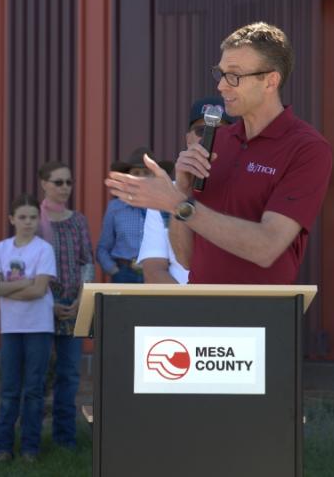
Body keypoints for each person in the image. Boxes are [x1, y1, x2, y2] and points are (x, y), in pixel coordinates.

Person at [105, 22, 332, 285]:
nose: (222, 87)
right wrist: (183, 193)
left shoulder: (307, 148)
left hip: (264, 314)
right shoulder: (215, 142)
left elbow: (267, 247)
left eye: (234, 76)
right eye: (220, 74)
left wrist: (178, 205)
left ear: (271, 81)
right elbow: (187, 257)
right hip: (202, 310)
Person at [138, 97, 235, 284]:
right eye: (201, 130)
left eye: (221, 131)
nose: (210, 136)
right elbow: (154, 270)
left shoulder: (249, 190)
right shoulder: (166, 194)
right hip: (183, 307)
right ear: (188, 139)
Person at [0, 194, 57, 463]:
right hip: (11, 327)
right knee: (8, 390)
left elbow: (40, 290)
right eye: (22, 217)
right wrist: (26, 282)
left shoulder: (44, 250)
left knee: (33, 389)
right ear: (11, 219)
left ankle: (30, 448)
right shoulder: (0, 249)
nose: (28, 222)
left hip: (39, 327)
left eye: (33, 217)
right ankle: (3, 448)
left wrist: (9, 290)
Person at [37, 160, 94, 449]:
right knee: (35, 374)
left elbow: (87, 261)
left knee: (69, 374)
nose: (64, 188)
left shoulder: (78, 220)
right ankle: (30, 442)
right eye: (58, 182)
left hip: (73, 306)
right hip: (40, 307)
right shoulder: (32, 220)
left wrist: (80, 301)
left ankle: (64, 439)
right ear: (43, 184)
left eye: (68, 182)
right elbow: (28, 267)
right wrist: (48, 302)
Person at [97, 147, 157, 284]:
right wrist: (114, 271)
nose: (141, 177)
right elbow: (103, 248)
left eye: (146, 173)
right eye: (136, 173)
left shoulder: (165, 207)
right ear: (127, 177)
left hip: (157, 275)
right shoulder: (115, 208)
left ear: (154, 176)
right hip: (124, 274)